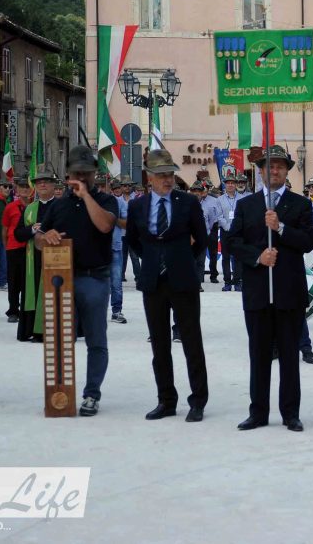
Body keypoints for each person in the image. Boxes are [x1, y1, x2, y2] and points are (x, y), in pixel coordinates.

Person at [225, 145, 313, 432]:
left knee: (289, 355)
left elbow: (308, 242)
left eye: (279, 166)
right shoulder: (247, 205)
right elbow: (232, 242)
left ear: (287, 171)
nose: (274, 170)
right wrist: (257, 257)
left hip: (289, 291)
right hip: (258, 292)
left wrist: (281, 228)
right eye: (269, 166)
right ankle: (258, 412)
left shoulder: (300, 204)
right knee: (259, 355)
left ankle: (290, 412)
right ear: (261, 171)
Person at [34, 146, 119, 417]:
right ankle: (61, 392)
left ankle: (91, 394)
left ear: (95, 174)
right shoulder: (58, 205)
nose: (81, 178)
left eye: (87, 173)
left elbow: (105, 225)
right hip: (62, 281)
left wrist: (86, 197)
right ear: (68, 174)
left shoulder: (106, 200)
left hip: (95, 278)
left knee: (96, 340)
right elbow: (38, 239)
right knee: (60, 340)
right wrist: (45, 237)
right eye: (77, 173)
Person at [127, 151, 209, 422]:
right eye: (161, 175)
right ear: (149, 178)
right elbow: (134, 241)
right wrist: (154, 261)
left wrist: (182, 260)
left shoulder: (188, 202)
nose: (167, 179)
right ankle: (166, 400)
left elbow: (202, 239)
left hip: (183, 281)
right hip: (153, 282)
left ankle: (198, 400)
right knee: (159, 344)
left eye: (170, 174)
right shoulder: (137, 206)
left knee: (191, 342)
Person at [13, 164, 59, 342]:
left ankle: (51, 330)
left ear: (54, 185)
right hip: (33, 259)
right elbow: (18, 234)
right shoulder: (29, 209)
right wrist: (32, 229)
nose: (43, 185)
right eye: (39, 182)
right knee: (34, 291)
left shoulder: (62, 206)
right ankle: (33, 329)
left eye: (46, 181)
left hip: (56, 257)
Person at [1, 178, 32, 324]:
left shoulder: (35, 206)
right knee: (13, 281)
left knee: (28, 280)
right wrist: (6, 246)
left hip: (30, 248)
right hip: (14, 248)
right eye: (22, 187)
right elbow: (5, 228)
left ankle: (27, 310)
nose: (25, 189)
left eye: (27, 186)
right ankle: (13, 310)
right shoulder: (10, 207)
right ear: (17, 189)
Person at [217, 168, 245, 292]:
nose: (230, 185)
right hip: (225, 231)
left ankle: (237, 281)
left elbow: (243, 216)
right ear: (225, 185)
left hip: (238, 232)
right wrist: (228, 227)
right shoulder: (220, 200)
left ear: (236, 184)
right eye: (228, 183)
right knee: (226, 258)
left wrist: (236, 227)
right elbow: (219, 216)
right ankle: (227, 282)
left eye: (232, 183)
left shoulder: (242, 199)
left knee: (238, 257)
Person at [109, 179, 128, 323]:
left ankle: (116, 311)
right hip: (95, 248)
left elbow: (127, 223)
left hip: (115, 246)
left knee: (116, 282)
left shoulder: (120, 203)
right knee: (96, 282)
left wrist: (112, 219)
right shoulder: (92, 202)